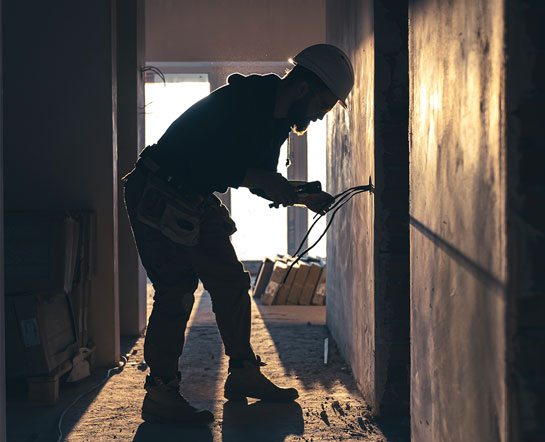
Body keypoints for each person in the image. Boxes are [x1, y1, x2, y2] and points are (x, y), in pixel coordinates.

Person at [123, 44, 354, 426]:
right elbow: (206, 159)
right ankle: (161, 392)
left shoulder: (279, 123)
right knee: (177, 292)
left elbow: (257, 177)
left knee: (231, 282)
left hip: (192, 195)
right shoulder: (241, 101)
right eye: (322, 106)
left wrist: (300, 196)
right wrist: (263, 179)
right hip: (156, 191)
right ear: (302, 89)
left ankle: (244, 372)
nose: (318, 117)